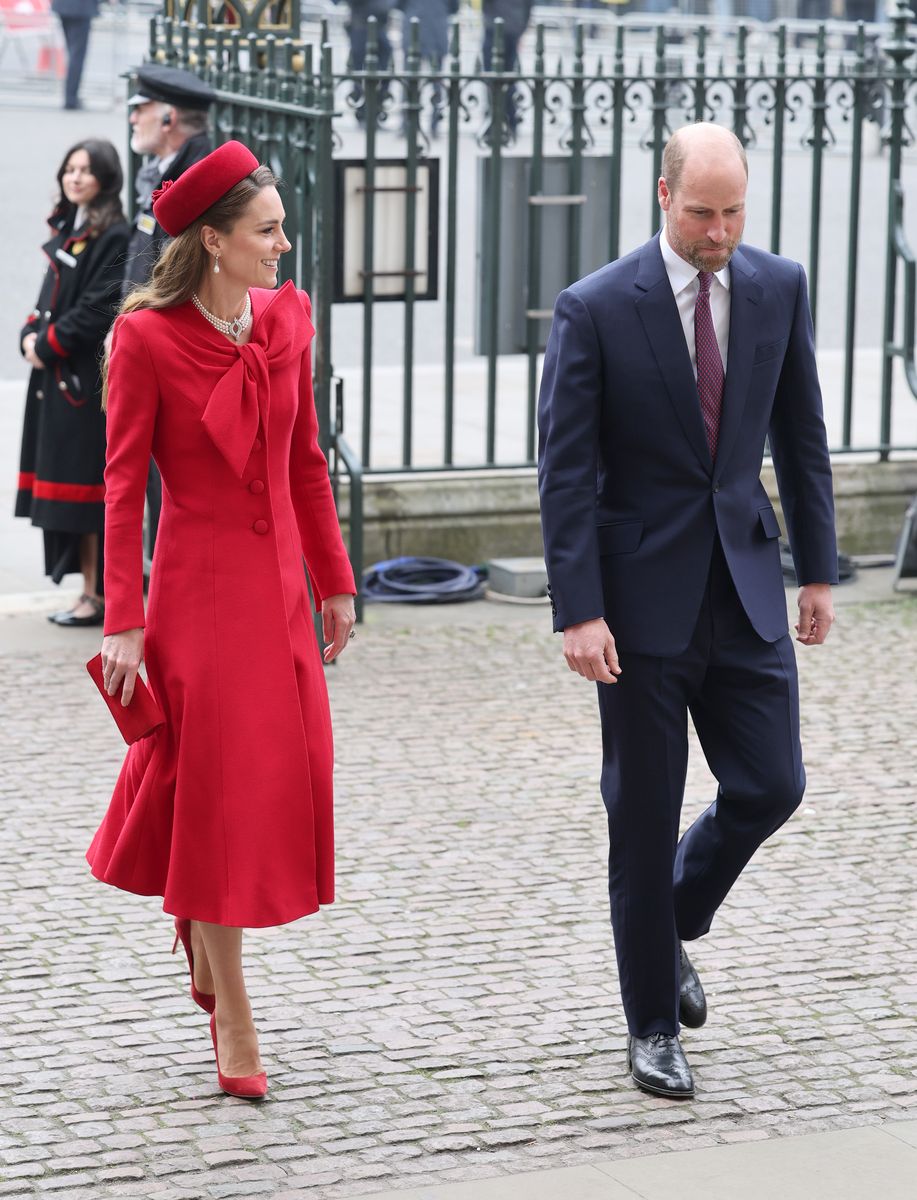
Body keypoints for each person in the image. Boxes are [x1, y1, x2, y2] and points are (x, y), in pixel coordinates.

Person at [537, 122, 837, 1100]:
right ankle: (651, 1027)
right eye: (701, 212)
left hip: (744, 589)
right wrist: (578, 611)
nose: (718, 232)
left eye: (732, 212)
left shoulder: (775, 287)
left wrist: (817, 572)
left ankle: (666, 921)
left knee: (770, 783)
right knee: (640, 815)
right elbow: (565, 473)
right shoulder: (593, 310)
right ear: (660, 197)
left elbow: (800, 435)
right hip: (634, 610)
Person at [87, 141, 357, 1099]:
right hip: (196, 602)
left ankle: (204, 941)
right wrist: (122, 619)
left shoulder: (289, 318)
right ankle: (233, 1013)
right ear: (214, 242)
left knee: (291, 779)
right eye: (269, 230)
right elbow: (123, 489)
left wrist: (333, 581)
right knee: (220, 804)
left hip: (280, 593)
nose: (285, 244)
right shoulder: (146, 340)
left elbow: (303, 461)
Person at [16, 140, 129, 627]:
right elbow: (50, 297)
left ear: (105, 178)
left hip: (82, 385)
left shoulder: (115, 234)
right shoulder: (71, 226)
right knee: (76, 495)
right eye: (70, 168)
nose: (76, 177)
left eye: (86, 170)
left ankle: (97, 595)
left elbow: (96, 308)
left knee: (90, 495)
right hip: (58, 382)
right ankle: (89, 592)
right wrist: (29, 332)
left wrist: (47, 344)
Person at [123, 65, 215, 298]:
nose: (133, 118)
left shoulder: (193, 185)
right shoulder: (167, 170)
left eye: (141, 109)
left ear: (168, 119)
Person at [481, 0, 534, 135]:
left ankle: (494, 121)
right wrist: (520, 30)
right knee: (508, 79)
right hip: (512, 28)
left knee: (494, 79)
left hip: (495, 28)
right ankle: (511, 121)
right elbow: (528, 8)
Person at [51, 0, 96, 111]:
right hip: (81, 8)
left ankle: (70, 96)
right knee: (76, 55)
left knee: (73, 53)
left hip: (63, 6)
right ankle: (71, 98)